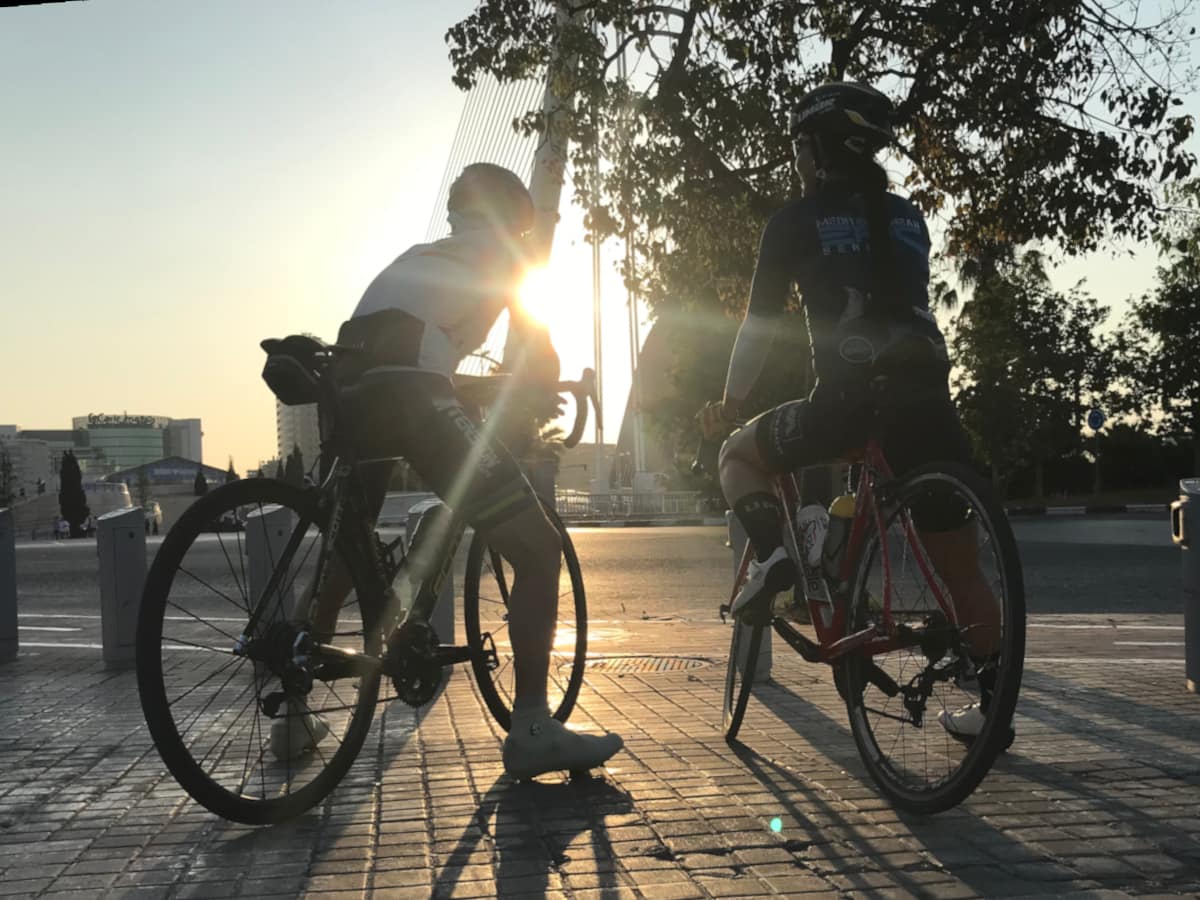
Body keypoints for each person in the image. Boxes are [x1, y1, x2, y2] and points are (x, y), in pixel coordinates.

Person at [274, 163, 623, 777]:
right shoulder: (512, 260)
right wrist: (553, 388)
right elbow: (537, 361)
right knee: (539, 552)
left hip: (351, 387)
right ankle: (535, 727)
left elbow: (414, 357)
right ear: (515, 223)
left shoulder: (417, 257)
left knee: (344, 553)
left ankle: (291, 718)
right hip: (413, 395)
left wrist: (483, 392)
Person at [698, 82, 1003, 740]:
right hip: (928, 398)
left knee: (738, 455)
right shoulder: (908, 216)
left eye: (798, 148)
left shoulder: (793, 220)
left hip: (847, 400)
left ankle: (775, 557)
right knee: (961, 564)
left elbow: (757, 327)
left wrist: (731, 403)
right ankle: (991, 706)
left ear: (814, 149)